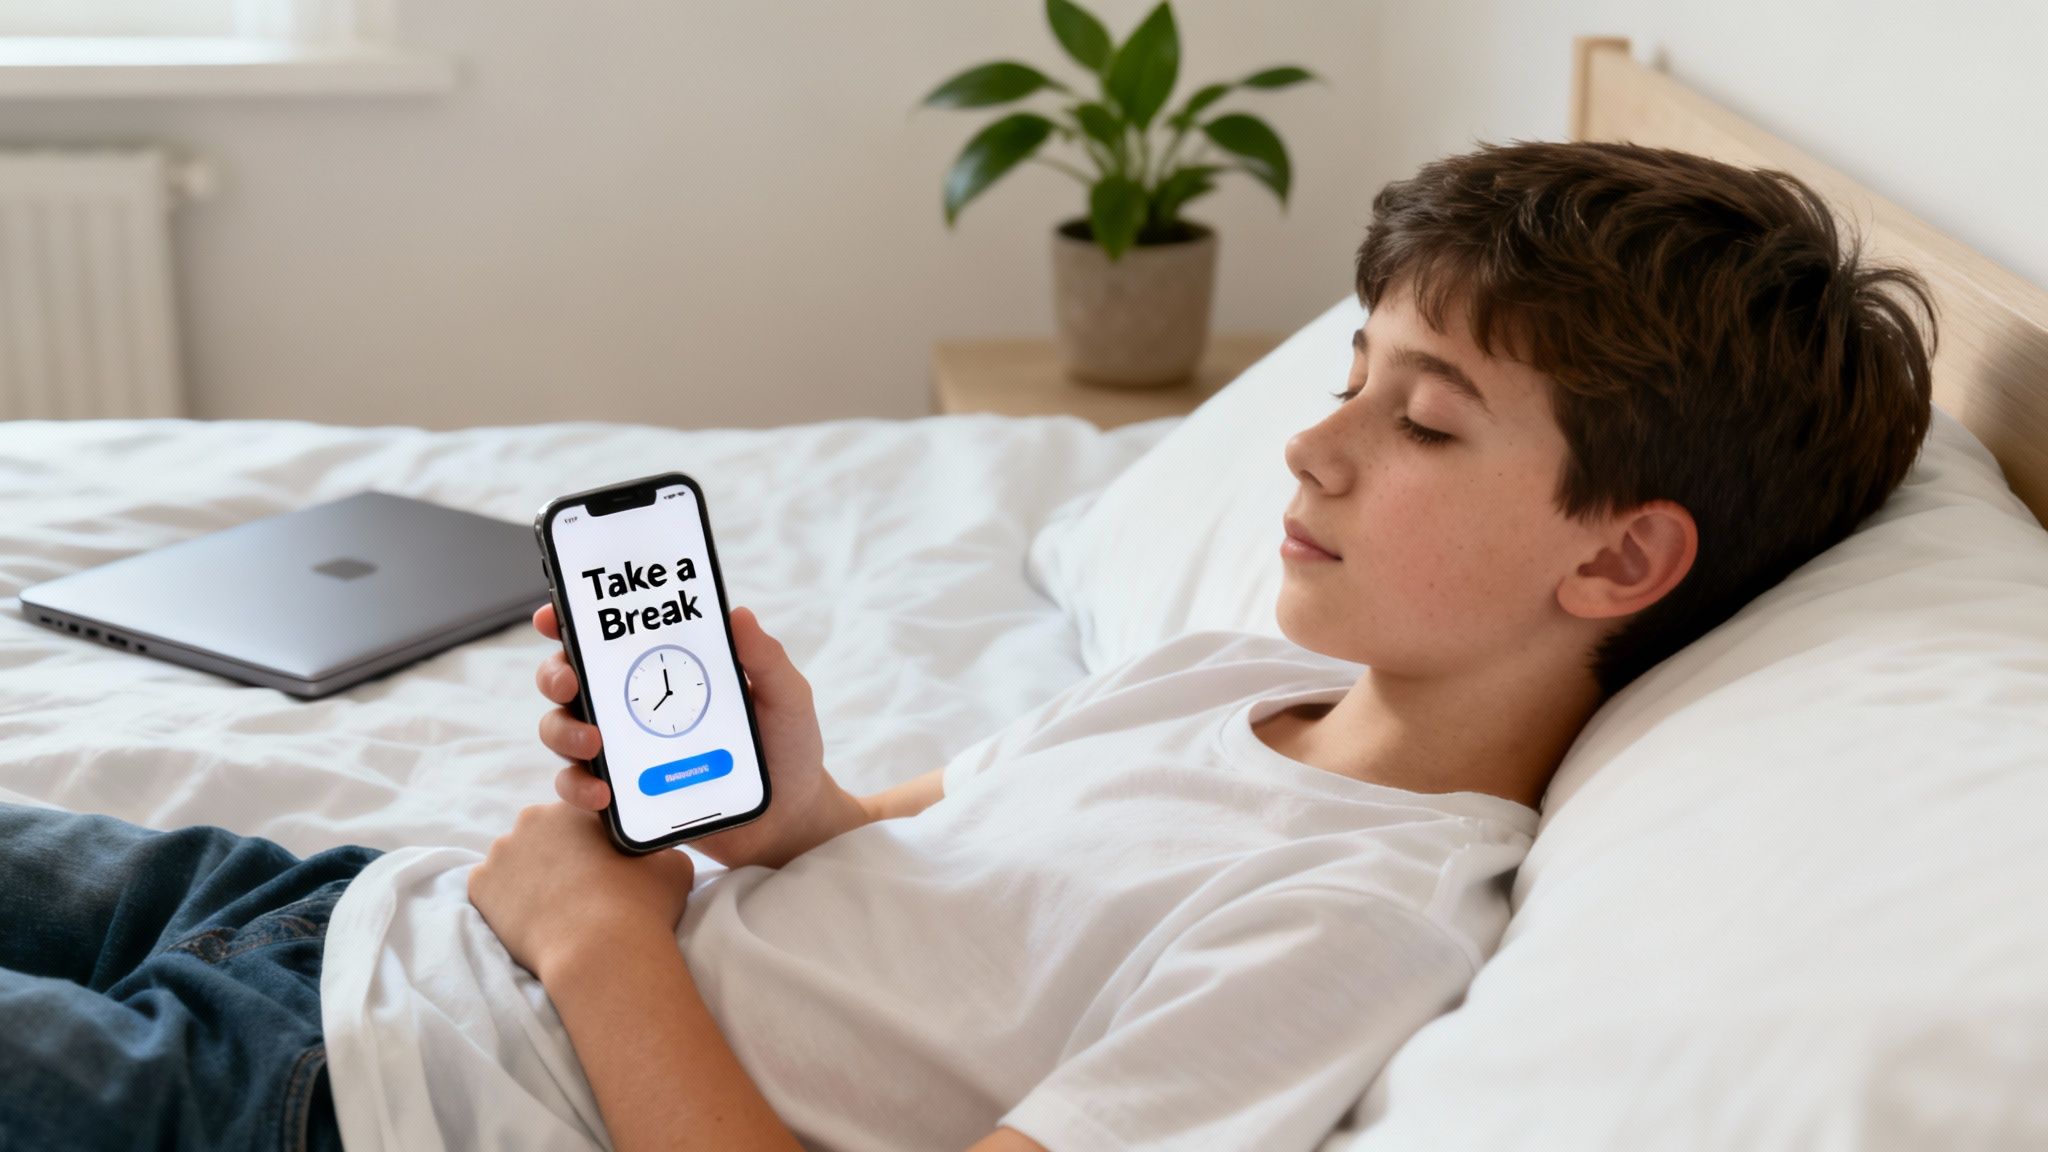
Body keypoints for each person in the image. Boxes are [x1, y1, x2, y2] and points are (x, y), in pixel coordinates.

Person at [0, 140, 1935, 1152]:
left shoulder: (1353, 928)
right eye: (1354, 376)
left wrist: (603, 941)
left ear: (1622, 561)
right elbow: (912, 864)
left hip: (326, 1099)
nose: (1316, 441)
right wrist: (790, 793)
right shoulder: (1234, 685)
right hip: (339, 918)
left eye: (1423, 423)